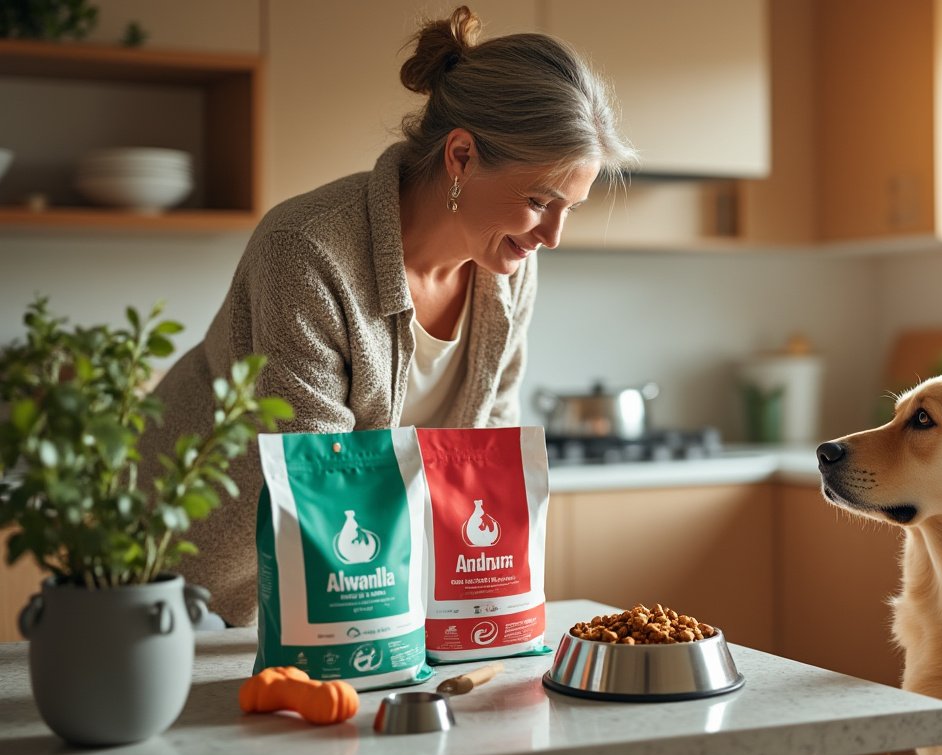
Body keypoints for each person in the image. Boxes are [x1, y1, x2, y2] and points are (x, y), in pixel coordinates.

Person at [141, 5, 637, 627]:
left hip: (364, 592)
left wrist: (487, 610)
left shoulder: (510, 268)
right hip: (202, 590)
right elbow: (323, 480)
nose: (553, 236)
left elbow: (489, 453)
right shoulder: (309, 248)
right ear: (460, 157)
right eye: (540, 201)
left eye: (570, 208)